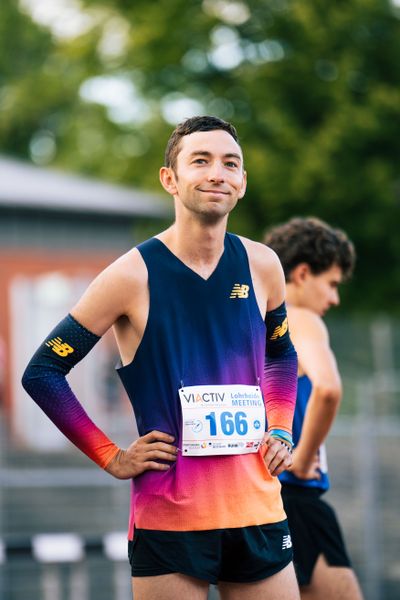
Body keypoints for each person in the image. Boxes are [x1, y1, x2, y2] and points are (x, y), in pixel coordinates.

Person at [22, 116, 300, 600]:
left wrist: (280, 426)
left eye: (229, 163)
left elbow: (281, 356)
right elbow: (44, 371)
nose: (217, 173)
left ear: (242, 183)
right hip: (171, 518)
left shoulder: (263, 265)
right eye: (201, 160)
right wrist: (110, 456)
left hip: (259, 510)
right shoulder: (130, 275)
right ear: (169, 179)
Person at [264, 217, 363, 600]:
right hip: (297, 497)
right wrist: (303, 459)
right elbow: (328, 389)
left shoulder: (251, 321)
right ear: (303, 273)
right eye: (332, 284)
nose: (335, 299)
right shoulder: (300, 318)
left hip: (260, 501)